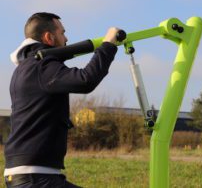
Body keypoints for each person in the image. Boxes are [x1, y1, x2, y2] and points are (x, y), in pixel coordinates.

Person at [4, 12, 120, 187]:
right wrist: (108, 44)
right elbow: (85, 80)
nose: (66, 38)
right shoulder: (42, 66)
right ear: (49, 37)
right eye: (62, 33)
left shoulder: (26, 67)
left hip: (30, 175)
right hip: (35, 177)